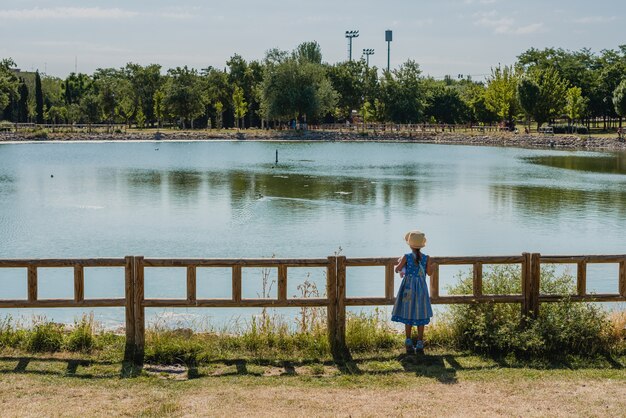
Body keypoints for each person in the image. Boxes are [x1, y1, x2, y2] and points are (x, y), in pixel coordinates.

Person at [391, 230, 433, 354]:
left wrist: (400, 264)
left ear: (410, 244)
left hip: (408, 288)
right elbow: (429, 273)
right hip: (421, 289)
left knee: (407, 312)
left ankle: (408, 342)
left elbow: (397, 269)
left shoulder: (406, 257)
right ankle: (420, 343)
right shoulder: (426, 258)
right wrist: (432, 267)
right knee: (421, 312)